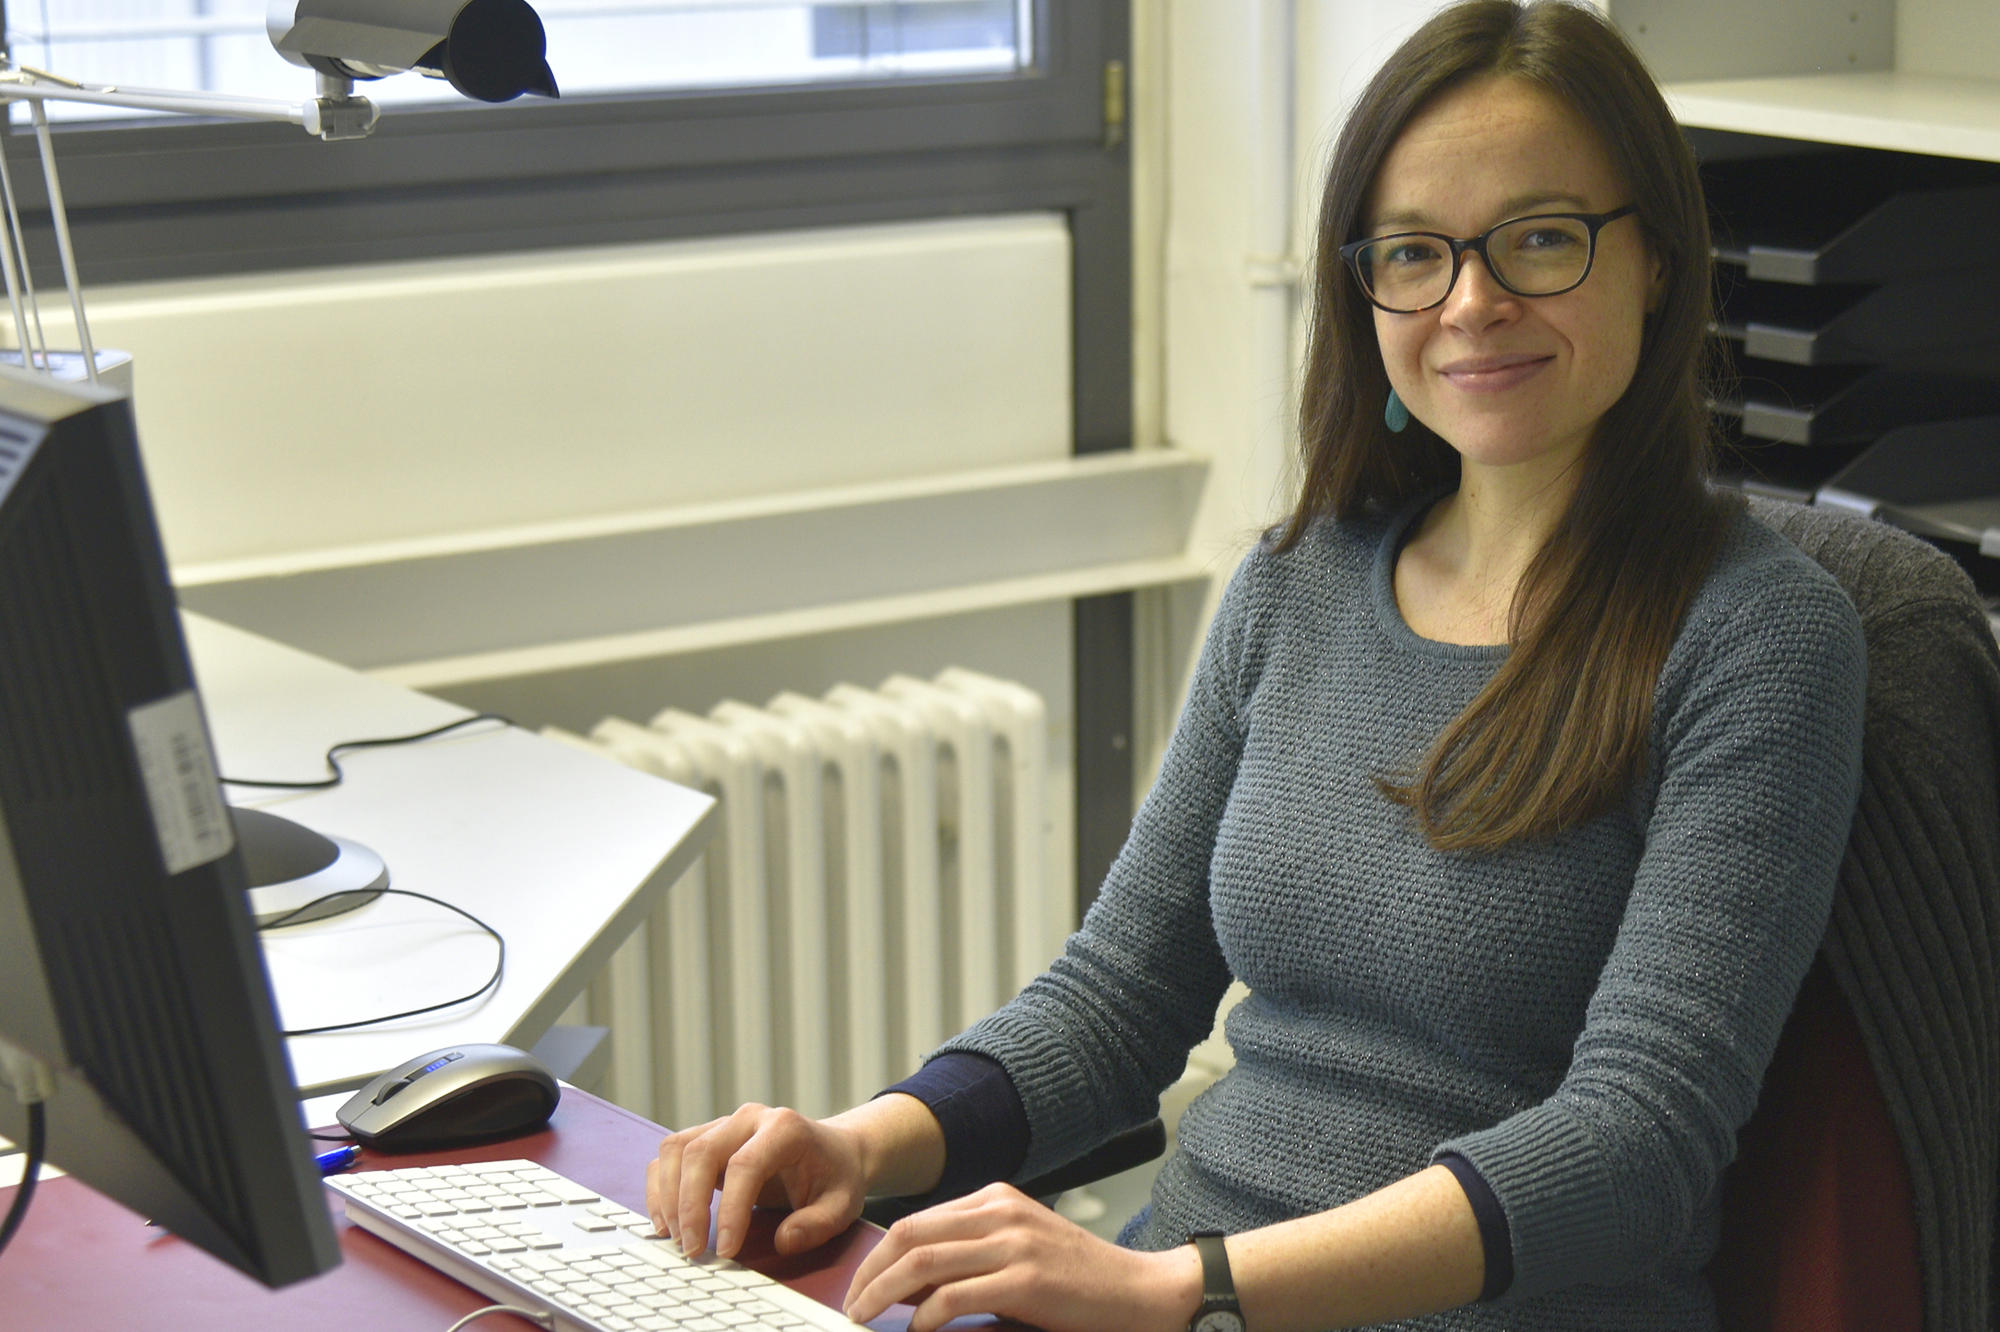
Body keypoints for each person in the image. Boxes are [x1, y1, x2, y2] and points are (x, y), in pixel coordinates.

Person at [645, 2, 1869, 1328]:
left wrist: (1182, 1287)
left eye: (1540, 238)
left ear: (1657, 262)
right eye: (1416, 252)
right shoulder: (1300, 582)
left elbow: (1639, 1145)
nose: (1473, 301)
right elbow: (1119, 1002)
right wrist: (860, 1144)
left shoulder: (1759, 637)